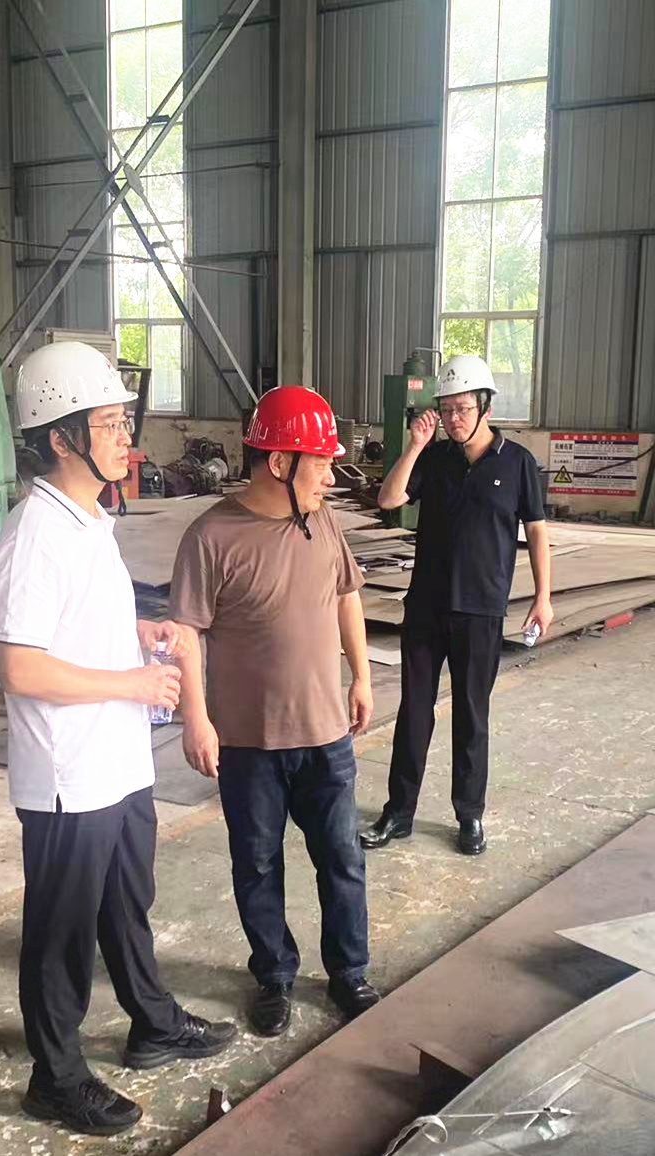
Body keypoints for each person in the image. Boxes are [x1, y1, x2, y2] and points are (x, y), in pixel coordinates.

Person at [0, 341, 236, 1137]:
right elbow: (21, 666)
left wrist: (139, 633)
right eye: (108, 424)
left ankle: (152, 1022)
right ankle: (55, 1077)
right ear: (60, 438)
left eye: (123, 421)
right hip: (69, 775)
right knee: (61, 932)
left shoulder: (89, 518)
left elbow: (74, 625)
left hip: (117, 762)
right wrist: (131, 685)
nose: (125, 437)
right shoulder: (35, 532)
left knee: (128, 903)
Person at [170, 385, 380, 1040]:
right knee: (257, 864)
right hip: (248, 741)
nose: (330, 476)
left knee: (341, 859)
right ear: (281, 462)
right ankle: (274, 975)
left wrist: (362, 676)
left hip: (325, 735)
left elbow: (345, 594)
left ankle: (348, 971)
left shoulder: (323, 521)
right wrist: (196, 718)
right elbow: (186, 633)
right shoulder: (211, 537)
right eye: (321, 463)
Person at [360, 354, 553, 857]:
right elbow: (388, 500)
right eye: (446, 410)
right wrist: (415, 446)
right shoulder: (435, 457)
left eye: (462, 409)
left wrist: (543, 597)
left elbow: (536, 532)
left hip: (481, 611)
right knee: (414, 713)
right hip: (426, 608)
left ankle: (469, 816)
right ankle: (398, 813)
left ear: (486, 406)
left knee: (471, 715)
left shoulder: (517, 463)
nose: (453, 419)